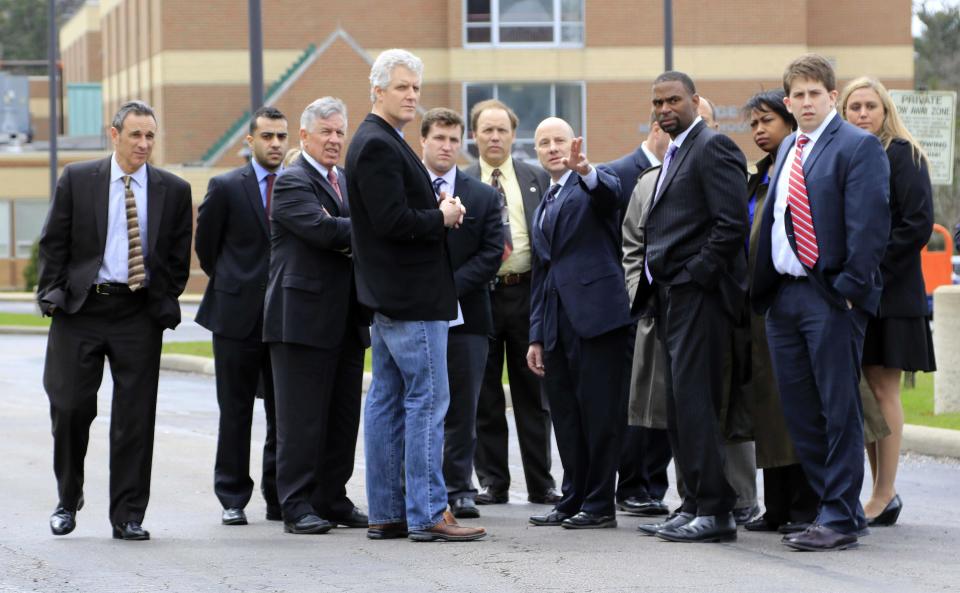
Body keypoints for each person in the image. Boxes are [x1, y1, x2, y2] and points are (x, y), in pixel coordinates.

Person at [752, 54, 890, 551]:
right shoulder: (790, 143)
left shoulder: (857, 146)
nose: (806, 102)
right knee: (800, 411)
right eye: (798, 95)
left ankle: (837, 516)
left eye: (815, 93)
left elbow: (870, 227)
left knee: (837, 409)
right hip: (784, 299)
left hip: (830, 297)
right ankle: (837, 511)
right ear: (788, 103)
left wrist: (849, 292)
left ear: (833, 96)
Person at [347, 49, 485, 542]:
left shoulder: (379, 139)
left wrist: (432, 205)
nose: (411, 95)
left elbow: (392, 214)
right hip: (410, 298)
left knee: (387, 399)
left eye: (415, 88)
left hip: (392, 296)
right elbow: (392, 223)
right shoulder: (378, 144)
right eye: (402, 86)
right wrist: (442, 216)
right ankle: (428, 512)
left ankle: (387, 513)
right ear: (377, 89)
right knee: (426, 401)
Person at [38, 100, 193, 540]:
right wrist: (52, 294)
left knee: (135, 418)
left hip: (137, 313)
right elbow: (54, 242)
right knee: (69, 408)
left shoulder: (173, 190)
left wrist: (162, 297)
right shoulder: (78, 179)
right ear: (114, 134)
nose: (144, 144)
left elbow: (179, 255)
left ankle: (127, 514)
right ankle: (68, 498)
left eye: (150, 136)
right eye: (135, 135)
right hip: (81, 310)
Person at [637, 71, 749, 543]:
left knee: (697, 403)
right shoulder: (676, 151)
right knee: (680, 405)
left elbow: (730, 226)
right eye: (658, 102)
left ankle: (717, 511)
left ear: (695, 100)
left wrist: (692, 277)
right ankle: (694, 502)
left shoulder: (713, 147)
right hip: (669, 297)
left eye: (674, 100)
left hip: (698, 296)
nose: (665, 109)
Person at [262, 97, 369, 535]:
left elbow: (339, 230)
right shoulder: (291, 181)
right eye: (326, 131)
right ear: (304, 135)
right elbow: (323, 231)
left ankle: (332, 497)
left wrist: (349, 232)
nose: (335, 139)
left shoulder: (344, 179)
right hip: (300, 320)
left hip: (346, 317)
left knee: (343, 417)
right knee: (301, 419)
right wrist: (372, 230)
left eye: (340, 131)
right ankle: (297, 503)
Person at [840, 76, 936, 526]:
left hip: (892, 293)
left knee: (883, 388)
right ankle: (882, 493)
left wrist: (870, 268)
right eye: (854, 106)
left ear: (885, 110)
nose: (862, 113)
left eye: (869, 106)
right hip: (856, 293)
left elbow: (917, 224)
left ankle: (883, 492)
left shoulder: (904, 154)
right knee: (864, 396)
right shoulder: (849, 155)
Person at [526, 117, 629, 529]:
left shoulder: (590, 183)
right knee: (566, 414)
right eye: (544, 142)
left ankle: (601, 503)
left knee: (600, 413)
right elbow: (541, 271)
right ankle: (573, 499)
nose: (553, 148)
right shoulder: (545, 199)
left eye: (560, 141)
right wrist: (536, 334)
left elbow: (610, 197)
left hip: (597, 316)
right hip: (555, 322)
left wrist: (586, 170)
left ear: (574, 145)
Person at [195, 106, 288, 526]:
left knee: (282, 414)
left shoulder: (297, 185)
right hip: (235, 317)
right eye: (267, 136)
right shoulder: (226, 185)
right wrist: (235, 283)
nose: (275, 144)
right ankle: (232, 496)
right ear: (249, 141)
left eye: (281, 137)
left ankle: (279, 496)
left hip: (286, 317)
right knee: (235, 412)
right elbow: (207, 247)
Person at [465, 99, 559, 506]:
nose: (495, 137)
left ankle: (542, 483)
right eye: (487, 130)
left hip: (526, 294)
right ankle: (493, 482)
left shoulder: (536, 177)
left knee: (534, 395)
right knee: (484, 396)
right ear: (474, 136)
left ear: (513, 134)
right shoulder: (463, 182)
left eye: (502, 129)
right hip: (481, 297)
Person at [738, 90, 819, 535]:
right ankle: (777, 507)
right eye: (752, 124)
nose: (758, 131)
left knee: (798, 407)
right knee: (768, 408)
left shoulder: (797, 170)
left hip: (794, 299)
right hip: (758, 306)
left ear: (790, 122)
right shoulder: (758, 176)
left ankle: (806, 507)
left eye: (766, 120)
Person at [419, 107, 503, 519]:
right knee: (419, 405)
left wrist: (449, 290)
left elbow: (492, 253)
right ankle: (418, 485)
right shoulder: (407, 190)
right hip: (414, 315)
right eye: (439, 138)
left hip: (467, 317)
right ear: (424, 141)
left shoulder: (483, 195)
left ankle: (459, 486)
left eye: (454, 140)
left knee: (463, 407)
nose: (447, 146)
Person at [607, 114, 672, 517]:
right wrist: (634, 295)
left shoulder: (687, 168)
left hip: (677, 307)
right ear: (658, 127)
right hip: (632, 308)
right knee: (635, 400)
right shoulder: (617, 174)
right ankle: (630, 484)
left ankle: (654, 485)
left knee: (666, 397)